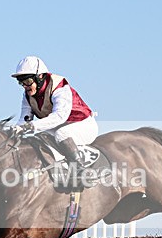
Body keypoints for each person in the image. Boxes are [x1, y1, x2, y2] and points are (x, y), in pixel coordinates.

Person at [11, 55, 98, 188]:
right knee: (40, 137)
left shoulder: (60, 88)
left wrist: (31, 126)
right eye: (21, 82)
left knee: (61, 134)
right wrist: (13, 131)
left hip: (83, 125)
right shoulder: (27, 96)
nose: (25, 86)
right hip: (60, 128)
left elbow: (59, 117)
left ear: (40, 77)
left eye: (28, 81)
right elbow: (24, 119)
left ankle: (82, 171)